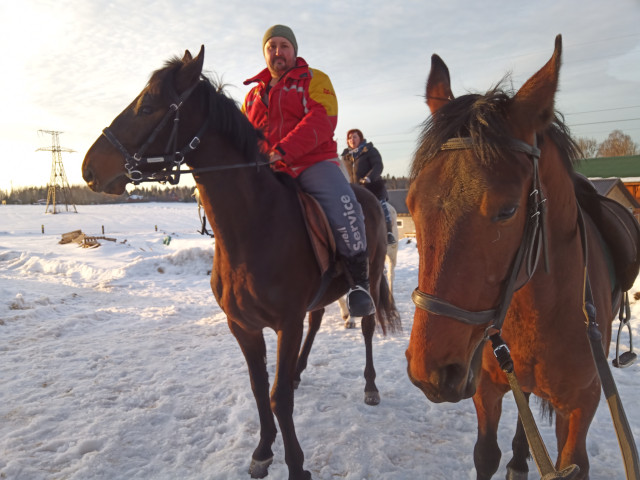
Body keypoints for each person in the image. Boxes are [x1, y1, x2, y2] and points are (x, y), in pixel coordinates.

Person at [241, 25, 375, 317]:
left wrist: (282, 151)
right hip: (268, 169)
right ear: (265, 52)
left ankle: (359, 283)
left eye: (284, 45)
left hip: (312, 163)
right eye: (271, 46)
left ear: (294, 50)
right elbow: (243, 137)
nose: (278, 51)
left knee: (344, 205)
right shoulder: (251, 97)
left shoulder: (314, 80)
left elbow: (321, 120)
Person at [341, 129, 397, 244]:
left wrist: (368, 177)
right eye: (350, 138)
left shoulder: (370, 150)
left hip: (372, 187)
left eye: (355, 137)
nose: (352, 140)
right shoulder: (345, 156)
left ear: (360, 138)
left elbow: (378, 166)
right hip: (353, 190)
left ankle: (388, 232)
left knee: (382, 206)